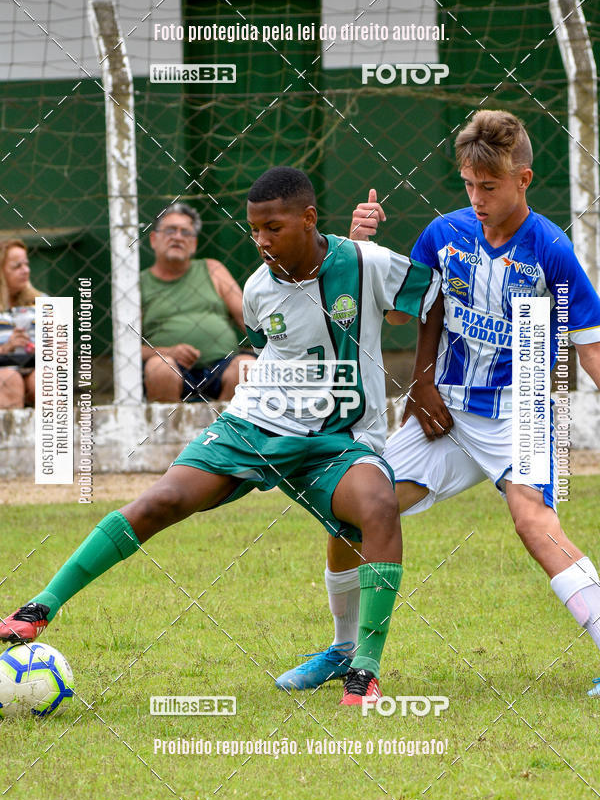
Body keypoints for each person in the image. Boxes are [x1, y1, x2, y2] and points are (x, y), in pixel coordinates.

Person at [0, 167, 441, 706]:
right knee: (161, 500)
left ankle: (362, 668)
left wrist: (423, 385)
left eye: (273, 228)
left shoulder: (365, 262)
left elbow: (428, 302)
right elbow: (277, 345)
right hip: (256, 424)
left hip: (341, 436)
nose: (261, 241)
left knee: (375, 508)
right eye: (254, 230)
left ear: (308, 219)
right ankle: (39, 606)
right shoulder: (258, 289)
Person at [276, 110, 600, 698]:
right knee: (354, 506)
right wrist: (360, 246)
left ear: (523, 179)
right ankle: (343, 650)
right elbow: (408, 309)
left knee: (533, 520)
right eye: (469, 184)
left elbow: (590, 347)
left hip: (519, 411)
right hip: (444, 410)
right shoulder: (444, 234)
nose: (476, 197)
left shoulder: (551, 249)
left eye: (490, 186)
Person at [141, 202, 256, 402]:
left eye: (185, 232)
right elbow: (124, 349)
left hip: (223, 364)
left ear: (194, 244)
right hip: (170, 366)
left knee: (247, 367)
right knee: (160, 369)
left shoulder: (212, 270)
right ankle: (170, 433)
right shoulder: (138, 284)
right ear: (153, 239)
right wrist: (168, 352)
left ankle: (223, 432)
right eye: (170, 230)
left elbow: (248, 320)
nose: (177, 237)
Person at [0, 239, 42, 408]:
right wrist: (6, 348)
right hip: (3, 368)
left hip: (35, 365)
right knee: (11, 380)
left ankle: (54, 434)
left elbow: (61, 348)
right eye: (17, 266)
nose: (26, 271)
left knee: (44, 382)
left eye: (26, 264)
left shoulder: (40, 301)